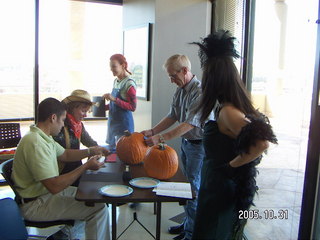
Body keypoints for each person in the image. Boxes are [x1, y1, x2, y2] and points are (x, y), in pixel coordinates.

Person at [190, 30, 278, 240]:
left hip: (219, 191)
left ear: (214, 79)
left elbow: (261, 142)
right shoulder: (226, 108)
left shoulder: (229, 111)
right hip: (214, 186)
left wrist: (230, 167)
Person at [12, 97, 111, 240]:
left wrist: (91, 151)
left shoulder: (43, 136)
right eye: (63, 120)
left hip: (44, 195)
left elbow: (65, 154)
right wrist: (86, 166)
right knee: (98, 209)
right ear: (53, 118)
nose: (63, 124)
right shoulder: (35, 143)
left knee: (93, 196)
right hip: (35, 204)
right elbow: (54, 186)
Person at [142, 54, 207, 240]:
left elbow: (190, 124)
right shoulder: (181, 89)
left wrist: (161, 138)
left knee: (192, 190)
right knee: (186, 186)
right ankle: (188, 225)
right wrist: (152, 131)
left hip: (199, 146)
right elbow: (172, 116)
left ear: (185, 71)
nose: (171, 80)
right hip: (187, 144)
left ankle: (192, 234)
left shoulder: (201, 92)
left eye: (173, 76)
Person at [54, 89, 105, 186]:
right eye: (83, 111)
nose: (85, 115)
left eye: (87, 111)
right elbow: (62, 156)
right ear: (72, 108)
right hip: (63, 176)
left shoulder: (78, 125)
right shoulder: (60, 126)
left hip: (77, 170)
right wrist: (90, 152)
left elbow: (90, 142)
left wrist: (98, 150)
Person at [103, 53, 137, 152]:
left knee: (123, 152)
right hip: (113, 122)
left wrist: (113, 99)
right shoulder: (116, 81)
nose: (111, 69)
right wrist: (101, 107)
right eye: (110, 67)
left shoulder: (129, 84)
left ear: (122, 65)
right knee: (112, 152)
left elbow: (132, 107)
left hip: (124, 124)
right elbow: (115, 104)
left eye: (114, 66)